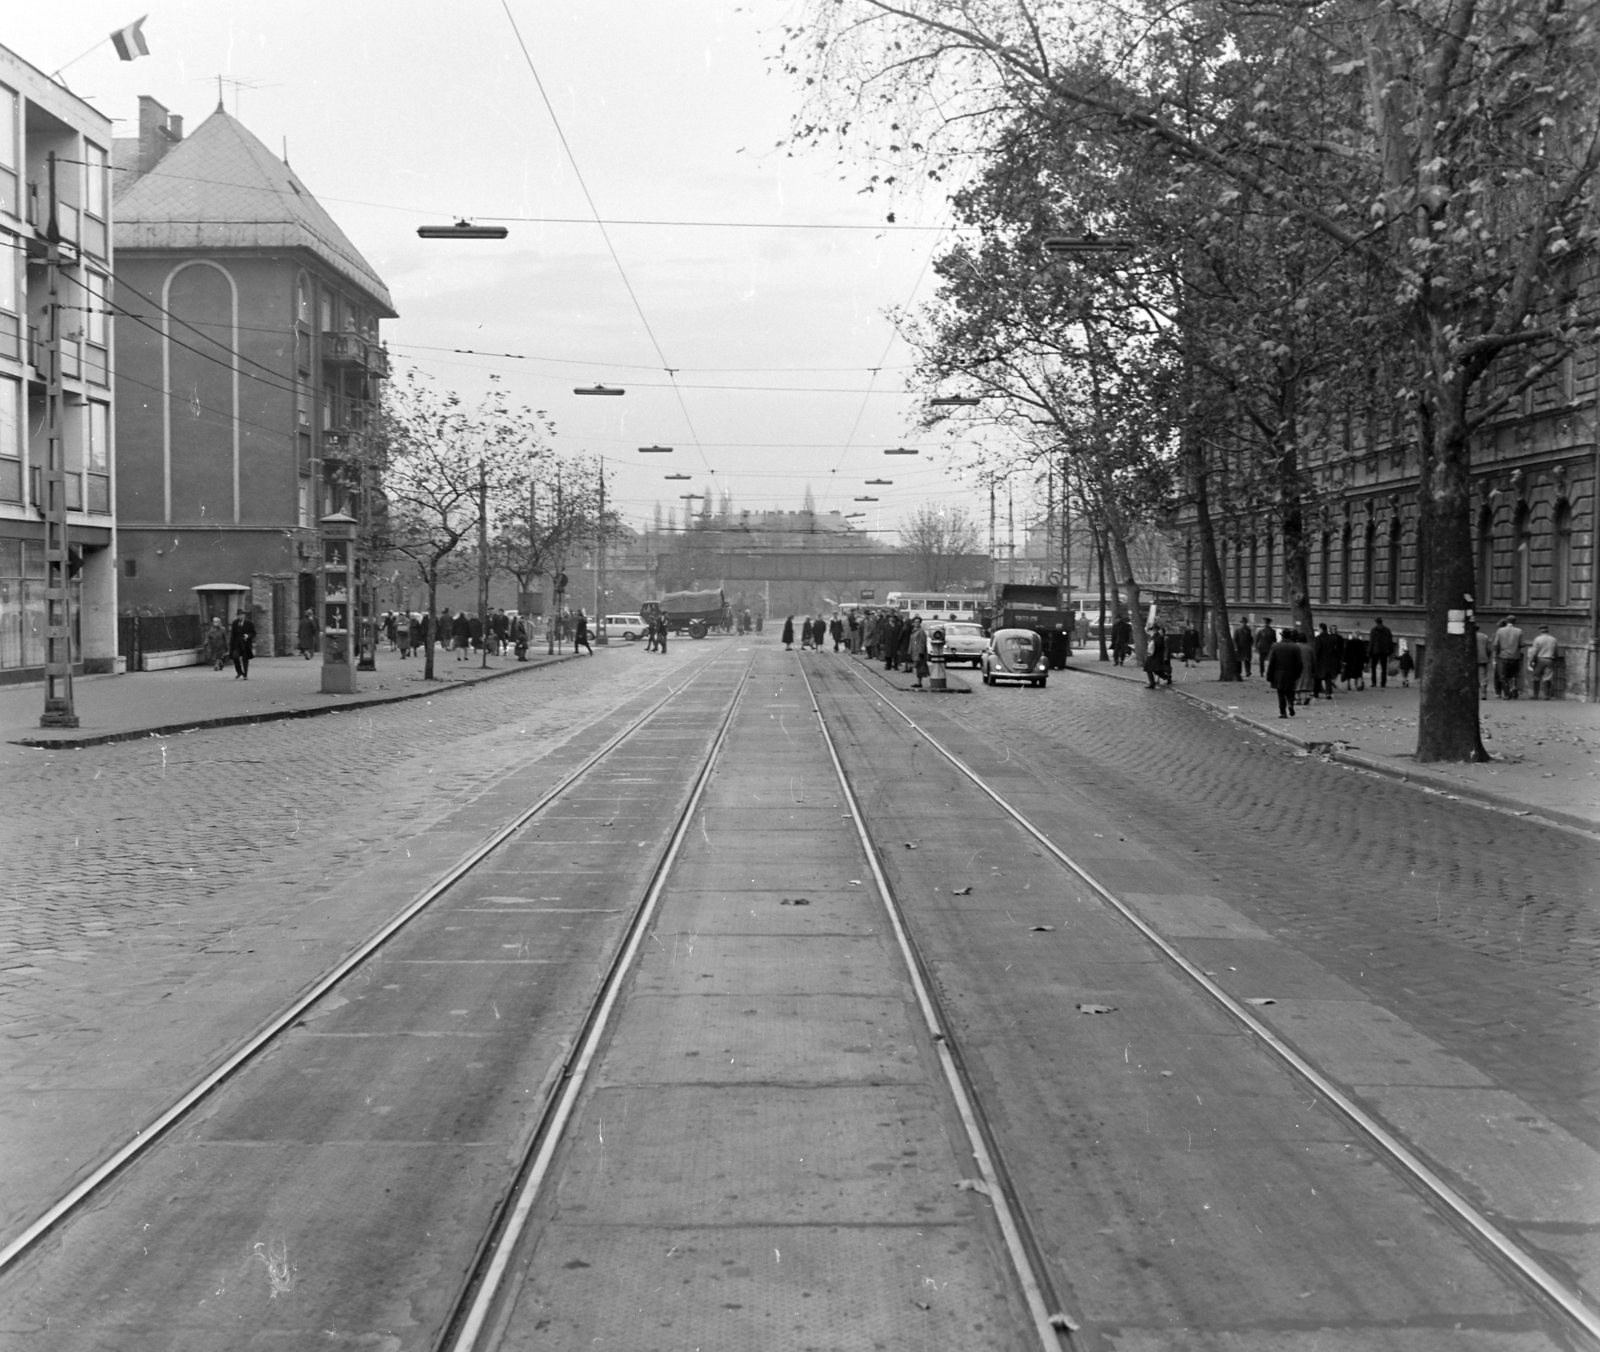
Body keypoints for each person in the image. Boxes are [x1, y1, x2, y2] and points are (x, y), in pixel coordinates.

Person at [1264, 629, 1304, 718]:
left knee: (1280, 692)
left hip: (1278, 673)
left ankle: (1283, 712)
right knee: (1290, 691)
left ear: (1282, 636)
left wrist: (1269, 675)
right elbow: (1299, 663)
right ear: (1290, 636)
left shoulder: (1275, 646)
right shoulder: (1295, 647)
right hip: (1291, 673)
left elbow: (1272, 662)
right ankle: (1290, 704)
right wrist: (1297, 674)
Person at [1493, 615, 1524, 698]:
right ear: (1515, 622)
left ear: (1506, 621)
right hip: (1515, 657)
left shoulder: (1500, 631)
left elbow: (1496, 644)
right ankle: (1513, 687)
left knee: (1503, 676)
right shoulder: (1519, 631)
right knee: (1514, 674)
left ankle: (1506, 694)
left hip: (1503, 656)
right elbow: (1522, 644)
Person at [1528, 624, 1558, 699]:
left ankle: (1535, 695)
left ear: (1540, 631)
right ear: (1547, 630)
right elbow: (1556, 651)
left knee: (1536, 677)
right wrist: (1554, 659)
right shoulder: (1553, 639)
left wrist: (1531, 661)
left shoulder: (1537, 639)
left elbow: (1534, 652)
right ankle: (1546, 695)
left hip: (1539, 660)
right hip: (1549, 659)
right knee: (1547, 677)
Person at [1312, 623, 1340, 698]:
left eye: (1318, 628)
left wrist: (1314, 659)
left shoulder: (1318, 638)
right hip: (1330, 661)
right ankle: (1328, 693)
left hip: (1320, 661)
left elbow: (1316, 650)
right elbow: (1335, 650)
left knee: (1318, 678)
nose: (1318, 630)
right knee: (1328, 678)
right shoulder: (1332, 638)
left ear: (1321, 629)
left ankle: (1316, 693)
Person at [229, 606, 257, 680]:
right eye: (238, 615)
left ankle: (245, 674)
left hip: (245, 644)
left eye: (241, 615)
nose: (240, 616)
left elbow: (253, 633)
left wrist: (248, 635)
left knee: (245, 659)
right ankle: (239, 672)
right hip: (237, 644)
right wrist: (231, 645)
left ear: (244, 615)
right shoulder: (235, 623)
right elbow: (233, 634)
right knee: (235, 657)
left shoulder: (249, 623)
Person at [1368, 618, 1394, 688]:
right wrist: (1391, 652)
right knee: (1384, 669)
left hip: (1375, 652)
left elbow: (1371, 642)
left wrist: (1369, 652)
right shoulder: (1387, 630)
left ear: (1376, 622)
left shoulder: (1373, 630)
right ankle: (1383, 683)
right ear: (1382, 622)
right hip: (1384, 652)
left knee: (1373, 668)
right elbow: (1390, 642)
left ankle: (1374, 683)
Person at [1144, 624, 1171, 688]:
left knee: (1157, 671)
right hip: (1151, 655)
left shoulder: (1159, 637)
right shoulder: (1152, 636)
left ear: (1157, 629)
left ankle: (1167, 677)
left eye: (1155, 629)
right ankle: (1152, 683)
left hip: (1157, 656)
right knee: (1148, 669)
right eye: (1152, 629)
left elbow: (1160, 646)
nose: (1153, 630)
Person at [909, 616, 929, 688]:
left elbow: (922, 642)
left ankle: (919, 683)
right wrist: (909, 651)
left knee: (919, 667)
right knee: (917, 667)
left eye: (918, 622)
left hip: (919, 652)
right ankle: (918, 682)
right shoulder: (914, 631)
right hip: (914, 651)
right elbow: (911, 642)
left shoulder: (921, 631)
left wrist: (921, 652)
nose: (916, 623)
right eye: (915, 622)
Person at [1474, 625, 1492, 699]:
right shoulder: (1484, 637)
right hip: (1482, 658)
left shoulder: (1467, 636)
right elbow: (1488, 649)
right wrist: (1487, 657)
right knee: (1482, 677)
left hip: (1470, 659)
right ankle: (1483, 694)